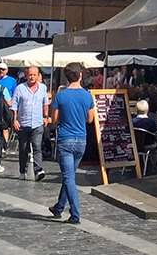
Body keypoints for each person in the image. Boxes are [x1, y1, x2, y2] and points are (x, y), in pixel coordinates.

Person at [48, 62, 94, 224]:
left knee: (68, 178)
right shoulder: (87, 95)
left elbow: (54, 120)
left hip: (66, 139)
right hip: (81, 139)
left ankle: (75, 214)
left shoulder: (61, 96)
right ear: (80, 75)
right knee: (70, 176)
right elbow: (90, 119)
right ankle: (59, 207)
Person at [13, 65, 49, 181]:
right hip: (23, 123)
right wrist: (15, 120)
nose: (32, 77)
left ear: (38, 76)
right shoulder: (20, 88)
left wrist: (46, 117)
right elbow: (14, 105)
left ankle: (38, 170)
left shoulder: (43, 88)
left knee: (37, 146)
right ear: (26, 76)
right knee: (23, 148)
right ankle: (22, 170)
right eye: (30, 75)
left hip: (37, 123)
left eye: (34, 75)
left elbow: (45, 104)